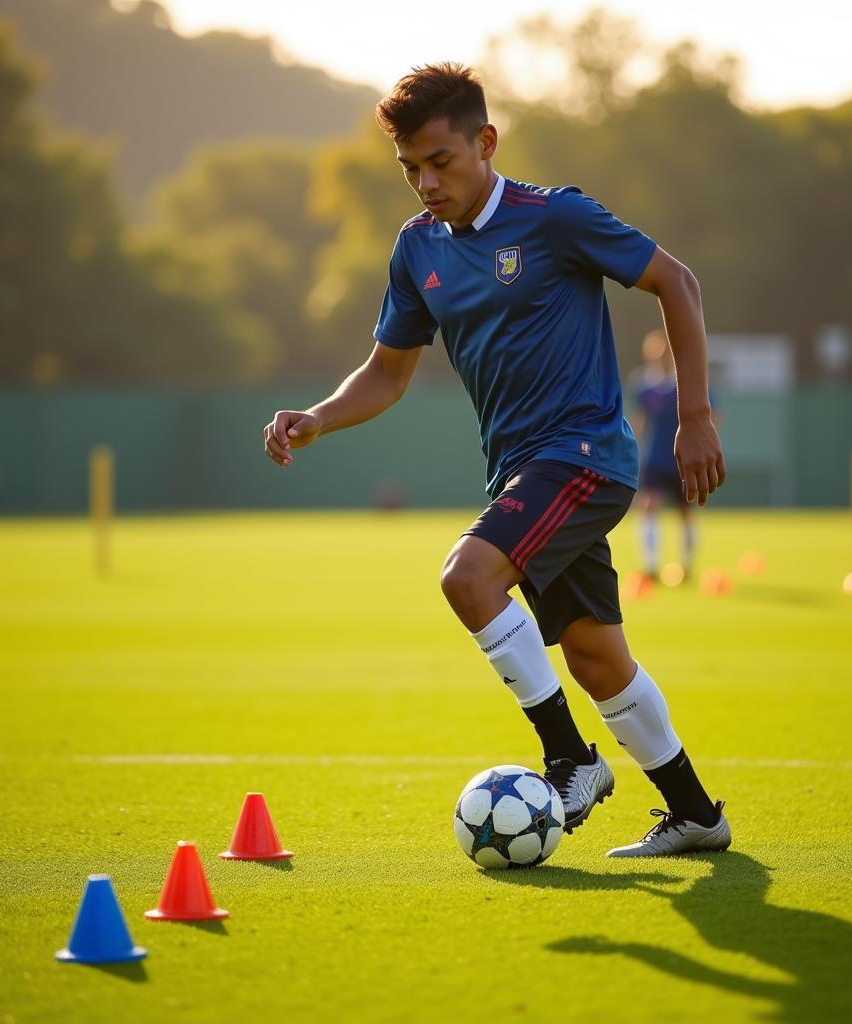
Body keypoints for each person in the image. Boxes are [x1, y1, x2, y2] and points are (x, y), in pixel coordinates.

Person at [263, 64, 730, 857]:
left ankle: (571, 760)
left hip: (584, 453)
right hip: (523, 471)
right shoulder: (416, 251)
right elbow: (387, 373)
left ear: (486, 142)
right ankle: (697, 815)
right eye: (409, 167)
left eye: (439, 161)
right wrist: (318, 418)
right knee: (594, 655)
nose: (424, 182)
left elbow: (675, 282)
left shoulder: (554, 217)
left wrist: (693, 416)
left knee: (466, 577)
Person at [627, 329, 714, 585]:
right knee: (648, 507)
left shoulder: (686, 382)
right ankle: (651, 567)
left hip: (683, 459)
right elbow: (640, 423)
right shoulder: (644, 386)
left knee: (685, 512)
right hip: (655, 459)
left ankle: (687, 566)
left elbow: (712, 413)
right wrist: (632, 450)